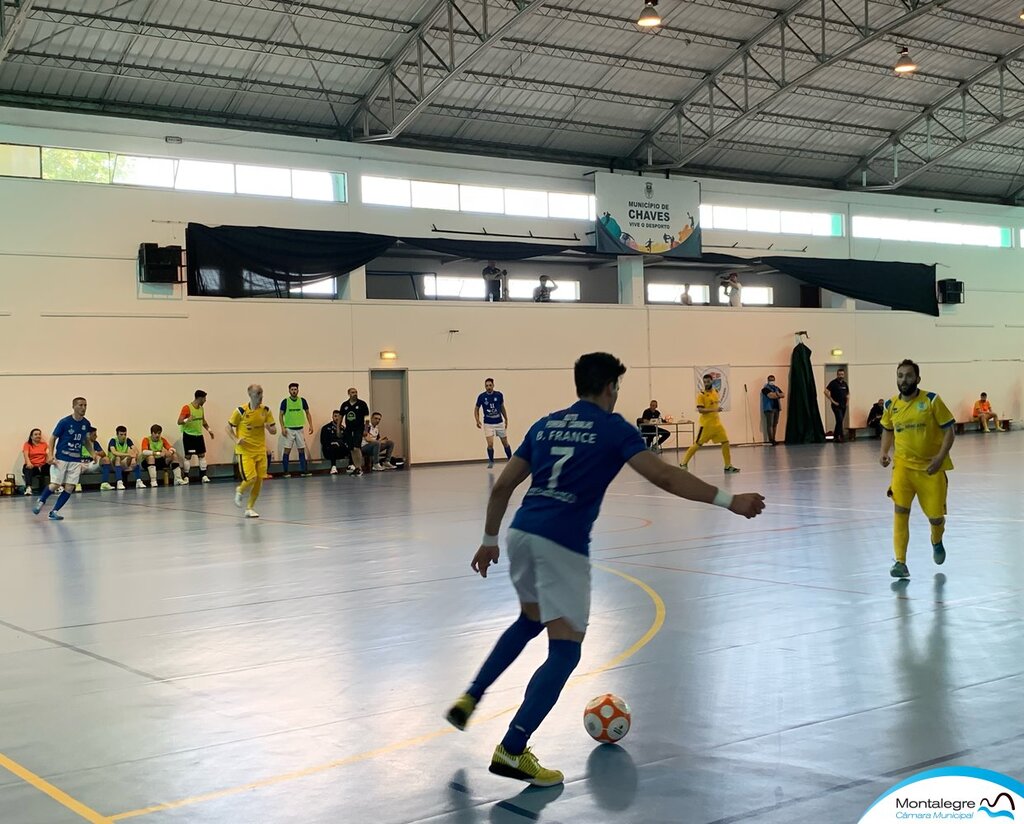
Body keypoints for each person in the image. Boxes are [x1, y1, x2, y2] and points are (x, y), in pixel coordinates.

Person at [444, 352, 765, 786]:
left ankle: (472, 695)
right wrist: (730, 501)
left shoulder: (545, 424)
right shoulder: (613, 428)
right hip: (563, 543)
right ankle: (513, 748)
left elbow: (503, 485)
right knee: (565, 651)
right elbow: (666, 478)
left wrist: (487, 540)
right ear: (610, 387)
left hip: (521, 532)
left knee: (530, 619)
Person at [879, 359, 955, 579]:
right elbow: (887, 429)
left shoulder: (931, 401)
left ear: (918, 379)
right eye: (900, 375)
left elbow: (949, 431)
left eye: (909, 376)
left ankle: (936, 539)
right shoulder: (890, 405)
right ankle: (900, 562)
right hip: (902, 468)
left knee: (935, 517)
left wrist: (940, 458)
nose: (904, 380)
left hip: (930, 470)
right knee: (900, 512)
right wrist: (884, 452)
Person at [32, 397, 92, 520]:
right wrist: (50, 455)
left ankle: (54, 511)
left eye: (85, 405)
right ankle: (41, 500)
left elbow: (87, 441)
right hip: (61, 458)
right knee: (55, 484)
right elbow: (53, 438)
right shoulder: (64, 422)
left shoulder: (86, 424)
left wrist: (93, 454)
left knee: (70, 487)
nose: (83, 408)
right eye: (80, 405)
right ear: (74, 406)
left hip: (76, 460)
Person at [227, 384, 277, 517]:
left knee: (260, 479)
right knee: (251, 478)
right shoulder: (240, 411)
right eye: (257, 394)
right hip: (245, 451)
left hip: (260, 451)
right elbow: (228, 427)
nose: (260, 396)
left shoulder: (265, 410)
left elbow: (274, 430)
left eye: (261, 393)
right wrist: (236, 439)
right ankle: (240, 489)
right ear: (250, 395)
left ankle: (250, 508)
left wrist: (268, 428)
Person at [679, 374, 740, 473]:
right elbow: (700, 410)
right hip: (706, 425)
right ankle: (683, 462)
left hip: (717, 425)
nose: (706, 384)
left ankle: (728, 465)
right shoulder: (701, 395)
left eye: (708, 381)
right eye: (705, 382)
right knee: (697, 444)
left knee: (725, 442)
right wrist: (714, 409)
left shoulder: (716, 392)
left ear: (712, 381)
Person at [178, 389, 215, 483]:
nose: (205, 400)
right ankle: (186, 477)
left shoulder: (201, 409)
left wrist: (209, 430)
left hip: (198, 436)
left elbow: (203, 421)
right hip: (189, 436)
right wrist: (187, 419)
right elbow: (179, 421)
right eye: (204, 398)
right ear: (200, 398)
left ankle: (203, 476)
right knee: (188, 456)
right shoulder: (187, 408)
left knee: (202, 455)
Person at [279, 382, 314, 476]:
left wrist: (311, 425)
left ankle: (304, 470)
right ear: (289, 390)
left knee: (301, 450)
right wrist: (282, 427)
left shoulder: (302, 401)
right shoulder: (285, 401)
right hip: (289, 429)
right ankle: (285, 471)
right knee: (287, 450)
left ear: (298, 390)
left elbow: (307, 413)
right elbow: (281, 415)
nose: (294, 391)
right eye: (292, 389)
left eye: (295, 389)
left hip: (300, 429)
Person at [475, 378, 511, 469]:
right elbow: (476, 409)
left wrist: (506, 419)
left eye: (490, 385)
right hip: (488, 423)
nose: (488, 387)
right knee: (490, 444)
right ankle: (491, 461)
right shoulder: (481, 397)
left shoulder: (499, 395)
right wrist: (477, 420)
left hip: (499, 422)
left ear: (493, 385)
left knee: (505, 443)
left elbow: (502, 407)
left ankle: (510, 460)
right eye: (486, 386)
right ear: (485, 386)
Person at [339, 387, 370, 475]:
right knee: (352, 449)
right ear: (348, 393)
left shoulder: (362, 404)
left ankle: (359, 467)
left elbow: (367, 417)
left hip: (359, 428)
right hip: (349, 429)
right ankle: (356, 467)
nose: (355, 394)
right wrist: (338, 428)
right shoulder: (345, 405)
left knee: (357, 447)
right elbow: (341, 417)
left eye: (356, 392)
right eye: (353, 392)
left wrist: (366, 429)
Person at [824, 368, 850, 443]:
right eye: (839, 374)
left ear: (844, 375)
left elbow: (848, 394)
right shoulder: (833, 383)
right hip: (836, 406)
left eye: (842, 374)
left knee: (840, 421)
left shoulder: (845, 384)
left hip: (843, 405)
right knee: (839, 419)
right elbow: (826, 392)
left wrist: (847, 403)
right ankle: (840, 436)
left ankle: (836, 436)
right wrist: (833, 401)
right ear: (837, 375)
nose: (840, 376)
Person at [21, 428, 49, 496]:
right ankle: (28, 488)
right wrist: (28, 463)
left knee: (53, 467)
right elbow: (26, 454)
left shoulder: (44, 444)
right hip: (33, 466)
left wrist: (50, 461)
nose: (38, 436)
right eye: (35, 434)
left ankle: (57, 486)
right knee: (27, 468)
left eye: (39, 434)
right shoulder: (27, 444)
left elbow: (48, 454)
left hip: (42, 466)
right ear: (31, 436)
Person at [82, 427, 111, 492]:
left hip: (92, 463)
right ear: (88, 435)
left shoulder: (95, 443)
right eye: (94, 435)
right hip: (81, 464)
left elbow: (103, 453)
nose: (96, 436)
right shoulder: (80, 443)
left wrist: (96, 454)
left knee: (106, 460)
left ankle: (104, 483)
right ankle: (76, 485)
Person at [320, 410, 347, 474]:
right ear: (332, 417)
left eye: (339, 416)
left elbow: (346, 440)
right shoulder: (326, 428)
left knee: (352, 445)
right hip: (329, 451)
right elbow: (323, 441)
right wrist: (332, 443)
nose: (337, 418)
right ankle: (333, 467)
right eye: (335, 416)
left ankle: (351, 465)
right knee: (333, 446)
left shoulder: (343, 428)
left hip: (341, 450)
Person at [760, 375, 785, 445]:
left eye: (773, 380)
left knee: (775, 424)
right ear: (768, 381)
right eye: (770, 380)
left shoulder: (776, 388)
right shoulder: (765, 389)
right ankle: (771, 440)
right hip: (769, 409)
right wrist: (778, 395)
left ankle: (774, 439)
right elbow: (770, 396)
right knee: (770, 424)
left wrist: (777, 394)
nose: (772, 381)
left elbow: (783, 395)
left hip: (777, 408)